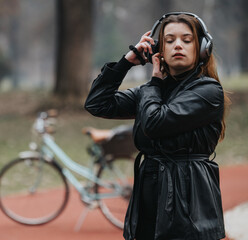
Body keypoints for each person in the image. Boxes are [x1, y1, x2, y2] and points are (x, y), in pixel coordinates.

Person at [85, 12, 230, 240]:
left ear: (202, 48)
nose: (178, 46)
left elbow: (155, 123)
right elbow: (97, 104)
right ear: (157, 50)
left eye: (187, 40)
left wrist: (153, 83)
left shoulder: (209, 91)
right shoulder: (152, 91)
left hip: (188, 195)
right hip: (150, 191)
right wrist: (126, 63)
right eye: (169, 40)